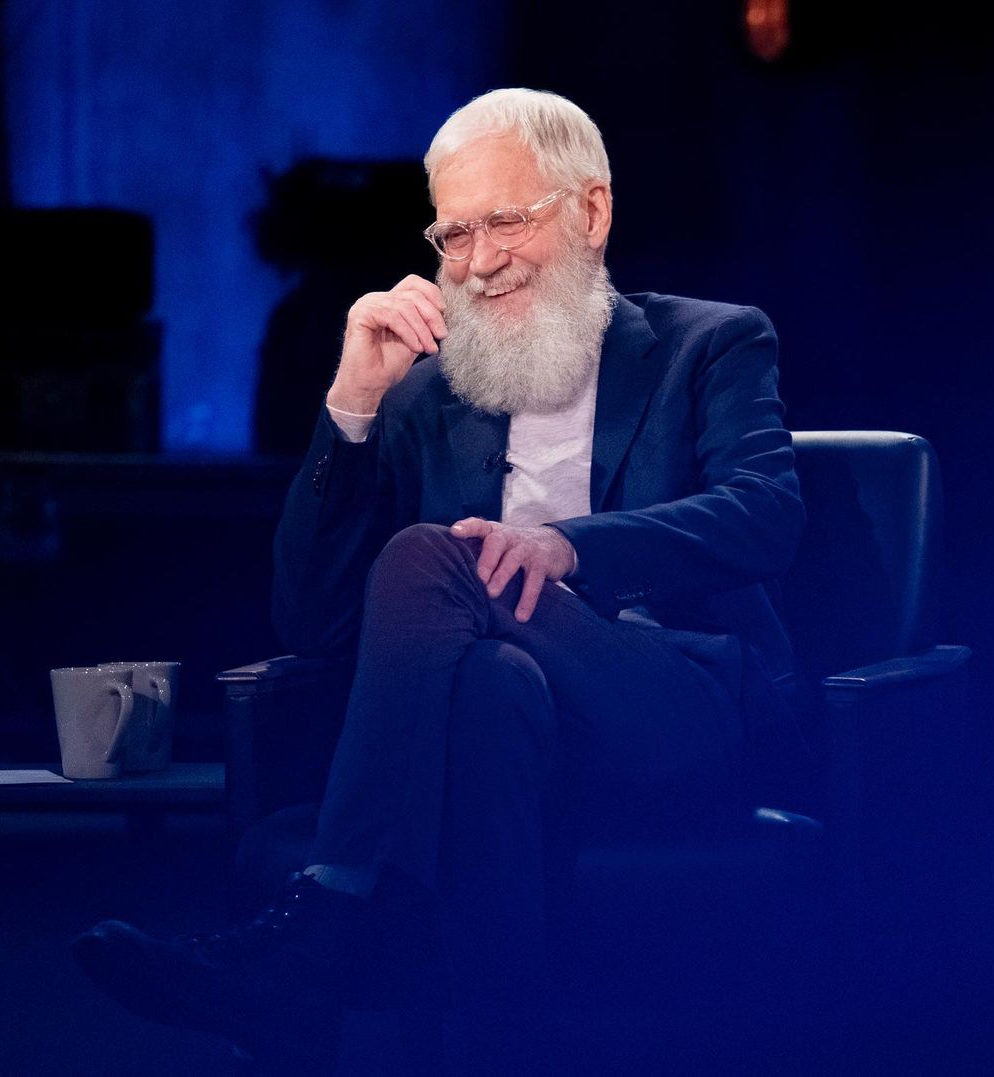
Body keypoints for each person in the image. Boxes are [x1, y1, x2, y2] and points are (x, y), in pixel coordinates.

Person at [73, 88, 804, 1072]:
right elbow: (318, 619)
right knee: (491, 685)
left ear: (590, 213)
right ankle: (511, 1047)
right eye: (453, 233)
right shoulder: (428, 393)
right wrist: (351, 407)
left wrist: (573, 546)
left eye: (506, 220)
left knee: (429, 556)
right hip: (508, 722)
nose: (477, 261)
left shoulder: (708, 344)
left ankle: (319, 933)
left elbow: (769, 513)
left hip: (669, 703)